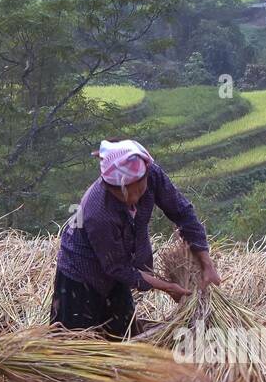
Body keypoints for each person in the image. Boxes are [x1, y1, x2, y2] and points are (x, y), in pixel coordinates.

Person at [52, 139, 220, 338]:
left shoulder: (153, 174)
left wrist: (207, 263)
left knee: (122, 337)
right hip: (80, 274)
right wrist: (167, 287)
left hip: (118, 270)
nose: (131, 198)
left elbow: (182, 213)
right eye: (120, 194)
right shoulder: (98, 210)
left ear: (145, 175)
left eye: (138, 190)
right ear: (108, 185)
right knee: (72, 345)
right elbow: (117, 268)